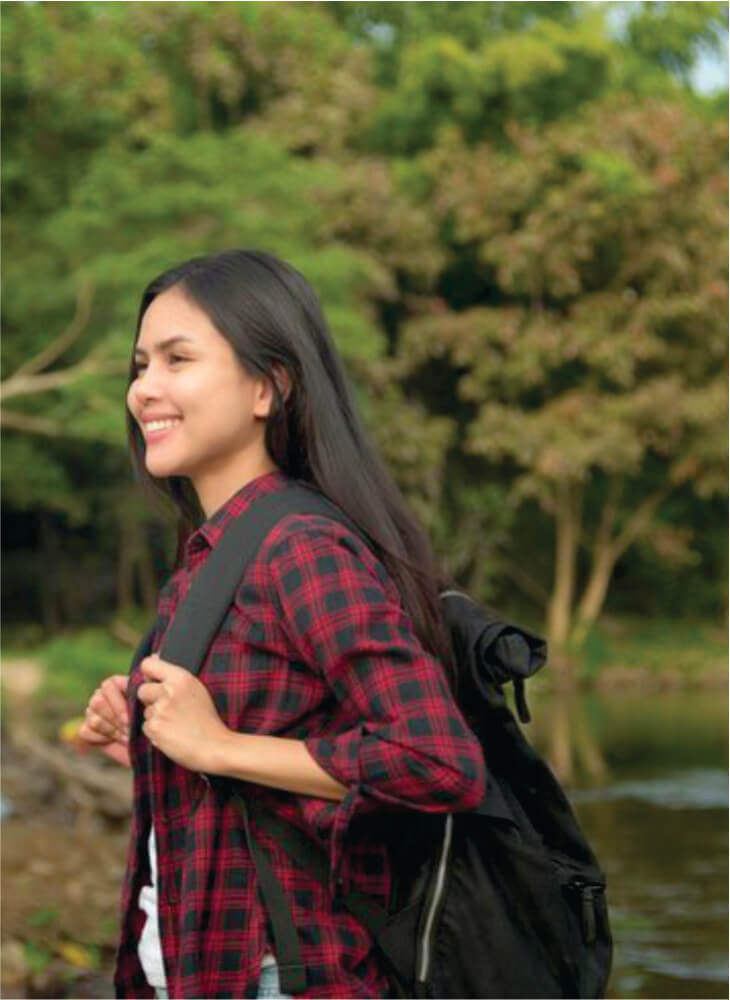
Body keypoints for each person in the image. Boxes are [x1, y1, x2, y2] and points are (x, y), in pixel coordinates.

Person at [78, 249, 486, 1000]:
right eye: (140, 365)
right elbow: (253, 783)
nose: (144, 389)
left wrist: (217, 743)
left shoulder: (301, 549)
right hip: (201, 973)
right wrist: (145, 748)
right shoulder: (211, 555)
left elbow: (437, 761)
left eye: (177, 359)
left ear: (268, 386)